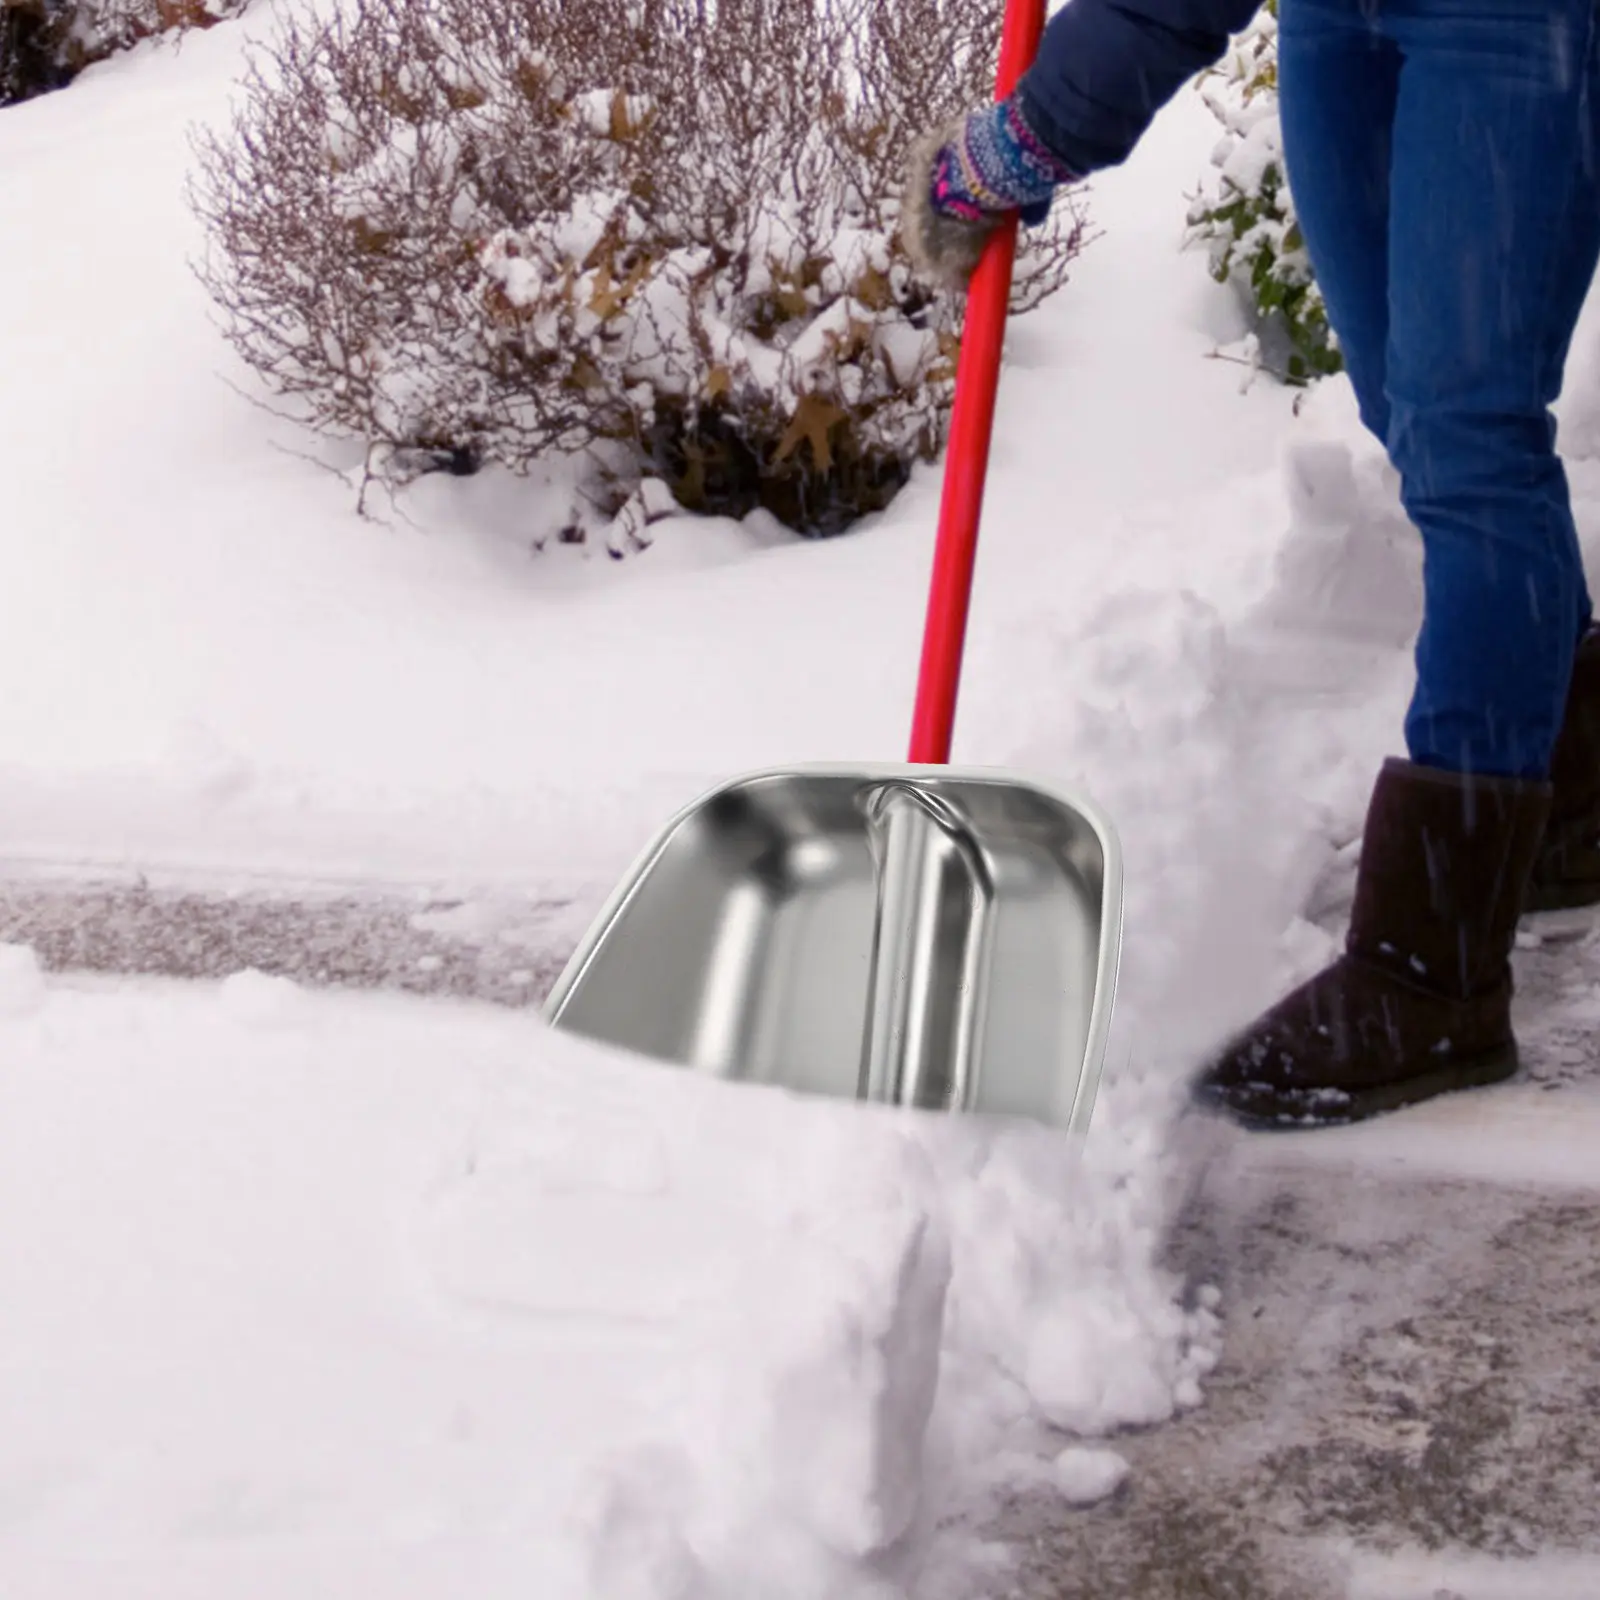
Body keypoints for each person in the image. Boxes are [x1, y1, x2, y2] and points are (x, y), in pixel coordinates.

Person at [903, 0, 1600, 1128]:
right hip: (1341, 21)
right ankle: (1564, 789)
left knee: (1471, 437)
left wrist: (1042, 125)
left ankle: (1434, 971)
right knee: (1412, 412)